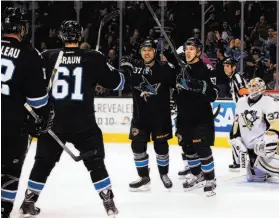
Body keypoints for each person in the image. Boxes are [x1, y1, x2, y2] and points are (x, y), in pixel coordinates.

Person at [19, 20, 127, 218]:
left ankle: (28, 203)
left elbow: (32, 84)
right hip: (83, 123)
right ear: (80, 36)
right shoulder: (93, 57)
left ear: (61, 36)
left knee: (42, 163)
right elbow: (117, 83)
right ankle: (108, 202)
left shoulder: (48, 56)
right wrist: (120, 70)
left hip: (52, 123)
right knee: (96, 163)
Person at [1, 7, 53, 218]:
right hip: (11, 124)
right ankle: (3, 210)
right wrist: (42, 117)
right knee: (9, 171)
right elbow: (38, 100)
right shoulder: (30, 54)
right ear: (22, 28)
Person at [119, 39, 175, 191]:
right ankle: (144, 177)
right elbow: (121, 79)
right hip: (140, 117)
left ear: (154, 52)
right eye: (144, 50)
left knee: (161, 147)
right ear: (141, 52)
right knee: (137, 146)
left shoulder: (164, 68)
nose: (147, 53)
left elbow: (177, 83)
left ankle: (164, 174)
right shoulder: (134, 67)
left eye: (149, 50)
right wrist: (123, 67)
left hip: (160, 118)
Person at [169, 37, 219, 197]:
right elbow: (177, 91)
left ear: (198, 51)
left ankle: (210, 179)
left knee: (202, 148)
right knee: (187, 148)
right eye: (186, 49)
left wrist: (200, 86)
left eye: (191, 49)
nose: (188, 52)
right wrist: (173, 100)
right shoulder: (181, 70)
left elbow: (214, 94)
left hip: (201, 116)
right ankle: (198, 175)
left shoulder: (207, 69)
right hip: (183, 116)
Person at [230, 77, 279, 181]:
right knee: (253, 177)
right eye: (251, 86)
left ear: (262, 88)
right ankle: (258, 167)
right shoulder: (241, 101)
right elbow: (236, 123)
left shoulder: (268, 101)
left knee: (260, 174)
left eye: (255, 86)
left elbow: (276, 123)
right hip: (248, 146)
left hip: (261, 145)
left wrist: (268, 139)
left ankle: (266, 168)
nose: (252, 88)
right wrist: (235, 138)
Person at [223, 58, 249, 171]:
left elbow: (244, 93)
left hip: (243, 113)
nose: (225, 68)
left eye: (228, 66)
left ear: (234, 67)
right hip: (242, 112)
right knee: (234, 135)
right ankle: (238, 161)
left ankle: (238, 162)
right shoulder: (232, 78)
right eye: (225, 66)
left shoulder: (237, 77)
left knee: (234, 135)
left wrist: (242, 111)